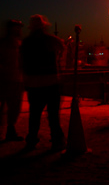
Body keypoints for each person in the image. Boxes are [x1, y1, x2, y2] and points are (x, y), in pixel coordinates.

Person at [20, 15, 65, 151]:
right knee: (53, 115)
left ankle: (32, 140)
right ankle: (57, 141)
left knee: (34, 115)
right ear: (44, 26)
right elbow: (62, 49)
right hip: (51, 82)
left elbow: (21, 62)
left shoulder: (26, 43)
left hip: (34, 84)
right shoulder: (52, 41)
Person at [0, 20, 24, 141]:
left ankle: (11, 131)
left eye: (19, 28)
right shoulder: (3, 43)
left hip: (17, 80)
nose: (18, 30)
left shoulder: (20, 44)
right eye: (16, 28)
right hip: (4, 80)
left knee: (15, 107)